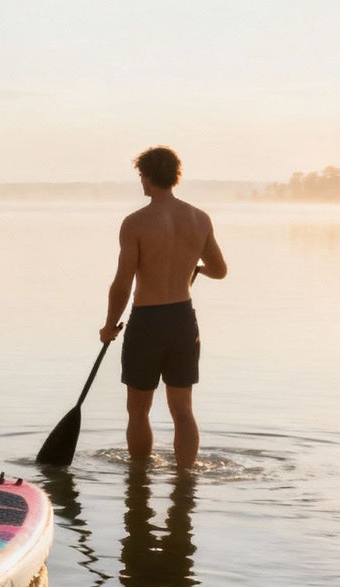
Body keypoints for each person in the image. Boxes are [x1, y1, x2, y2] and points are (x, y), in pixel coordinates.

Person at [100, 146, 227, 468]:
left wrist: (109, 326)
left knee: (138, 409)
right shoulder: (199, 218)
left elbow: (122, 282)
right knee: (183, 410)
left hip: (148, 320)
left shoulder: (136, 222)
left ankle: (140, 478)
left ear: (147, 176)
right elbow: (220, 270)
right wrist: (195, 269)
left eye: (141, 175)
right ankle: (186, 478)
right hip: (183, 320)